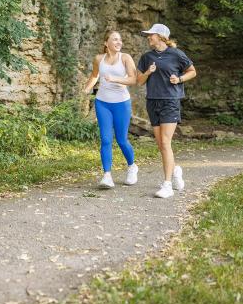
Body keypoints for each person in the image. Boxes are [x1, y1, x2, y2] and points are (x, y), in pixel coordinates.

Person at [136, 23, 197, 198]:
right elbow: (139, 81)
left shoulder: (176, 54)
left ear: (161, 37)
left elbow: (192, 71)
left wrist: (179, 79)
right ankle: (175, 170)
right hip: (152, 102)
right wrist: (148, 71)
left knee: (164, 141)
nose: (148, 37)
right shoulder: (147, 57)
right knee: (162, 145)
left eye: (151, 35)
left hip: (170, 101)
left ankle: (167, 185)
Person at [83, 30, 138, 189]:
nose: (119, 42)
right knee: (106, 139)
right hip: (103, 103)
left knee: (121, 140)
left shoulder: (125, 58)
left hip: (121, 103)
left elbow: (133, 79)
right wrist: (87, 88)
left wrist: (115, 79)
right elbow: (95, 76)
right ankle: (107, 175)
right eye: (115, 39)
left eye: (120, 39)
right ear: (106, 43)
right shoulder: (99, 59)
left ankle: (132, 167)